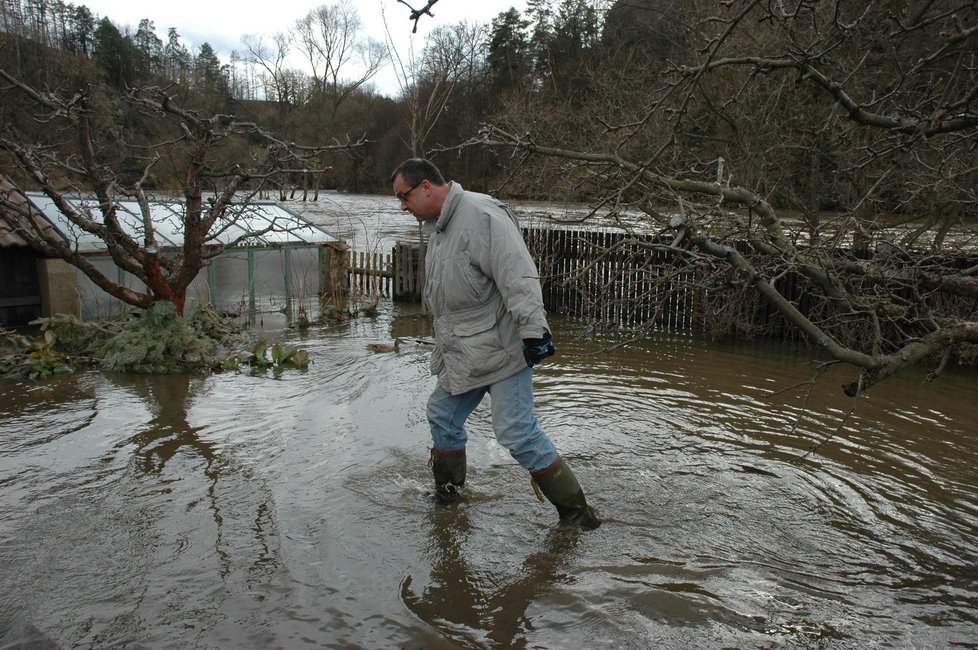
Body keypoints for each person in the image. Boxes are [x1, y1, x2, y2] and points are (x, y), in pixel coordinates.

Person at [390, 158, 600, 529]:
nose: (402, 206)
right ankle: (450, 498)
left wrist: (535, 332)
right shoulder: (437, 226)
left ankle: (578, 515)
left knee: (515, 431)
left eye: (404, 197)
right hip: (466, 352)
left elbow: (518, 275)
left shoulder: (481, 214)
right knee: (442, 415)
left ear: (425, 186)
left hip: (503, 350)